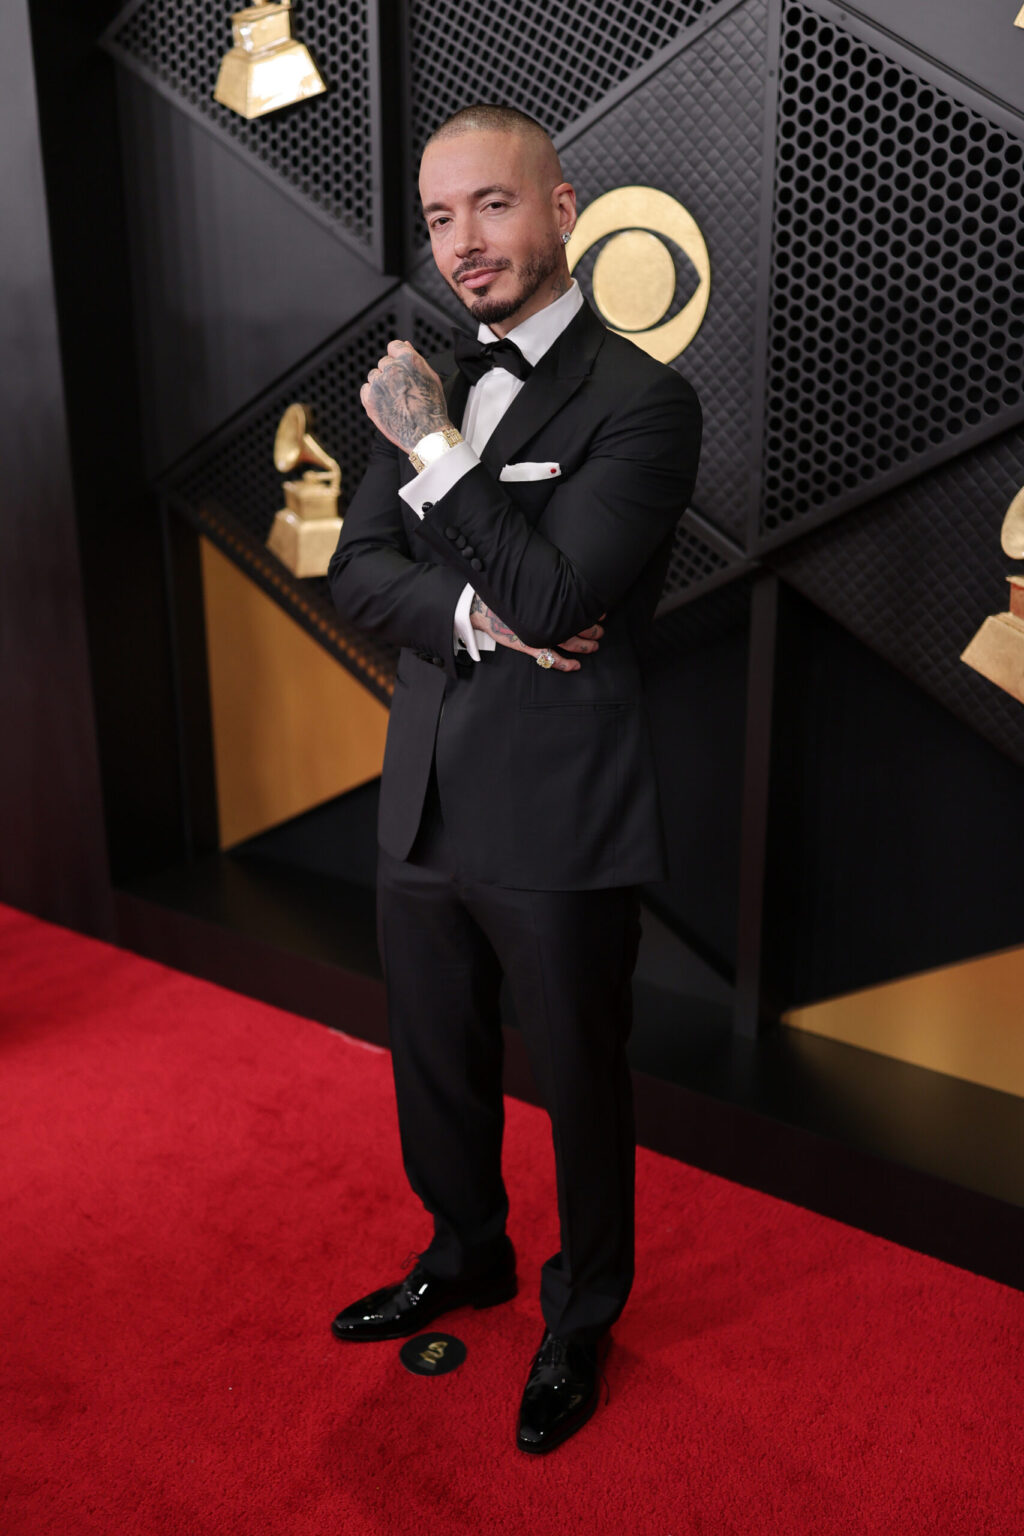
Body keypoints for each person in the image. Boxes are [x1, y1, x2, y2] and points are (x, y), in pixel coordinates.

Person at [327, 103, 701, 1454]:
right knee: (435, 1062)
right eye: (439, 218)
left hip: (560, 809)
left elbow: (562, 587)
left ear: (562, 209)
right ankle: (466, 1251)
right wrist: (484, 622)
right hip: (424, 788)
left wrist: (435, 450)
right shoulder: (418, 373)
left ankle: (583, 1311)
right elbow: (358, 569)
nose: (463, 243)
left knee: (581, 1082)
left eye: (491, 205)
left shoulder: (643, 403)